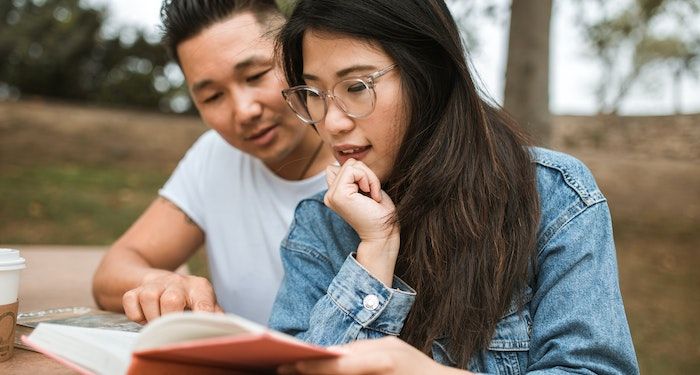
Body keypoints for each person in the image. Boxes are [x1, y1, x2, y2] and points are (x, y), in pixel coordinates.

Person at [268, 0, 640, 373]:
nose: (332, 123)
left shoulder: (554, 196)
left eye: (356, 87)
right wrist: (375, 250)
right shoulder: (320, 225)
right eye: (313, 94)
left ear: (428, 72)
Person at [92, 0, 334, 326]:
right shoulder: (215, 154)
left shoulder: (366, 156)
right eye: (213, 97)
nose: (244, 111)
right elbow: (112, 272)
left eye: (255, 75)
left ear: (297, 54)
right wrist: (159, 284)